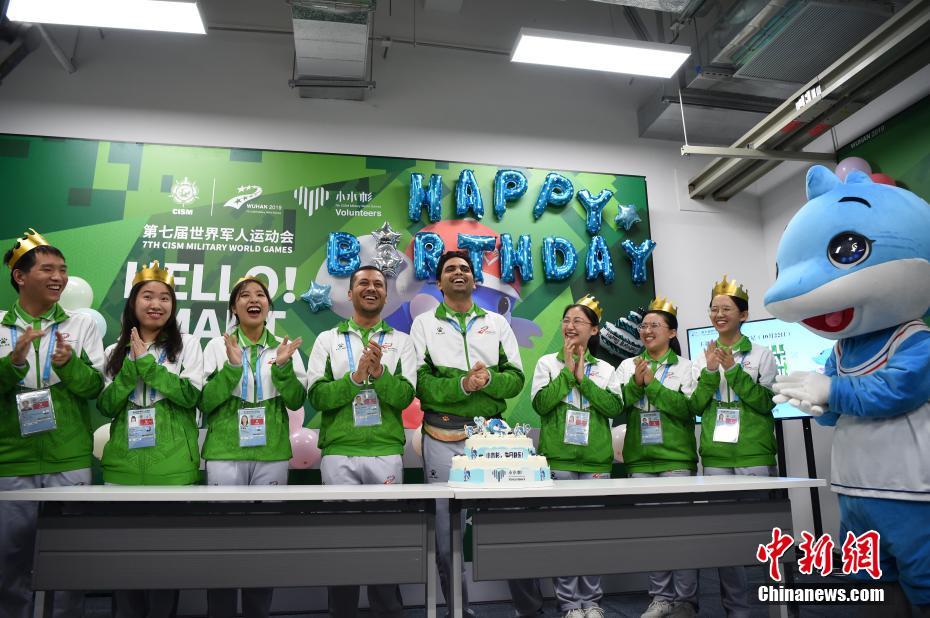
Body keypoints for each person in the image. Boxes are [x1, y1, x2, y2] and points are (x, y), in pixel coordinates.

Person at [409, 250, 533, 616]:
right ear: (439, 282)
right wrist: (462, 384)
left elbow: (516, 379)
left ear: (475, 280)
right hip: (440, 434)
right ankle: (457, 610)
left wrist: (489, 379)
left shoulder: (496, 323)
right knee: (444, 535)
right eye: (450, 269)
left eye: (464, 268)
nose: (458, 272)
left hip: (492, 437)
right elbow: (420, 383)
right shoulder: (423, 325)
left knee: (509, 527)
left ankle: (528, 608)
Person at [0, 229, 105, 618]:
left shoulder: (81, 325)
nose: (58, 277)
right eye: (47, 269)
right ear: (20, 276)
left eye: (62, 269)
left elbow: (94, 387)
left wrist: (68, 365)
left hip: (69, 456)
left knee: (68, 557)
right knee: (9, 556)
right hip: (12, 458)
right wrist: (13, 363)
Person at [307, 265, 417, 618]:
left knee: (387, 540)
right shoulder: (327, 340)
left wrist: (380, 373)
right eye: (364, 283)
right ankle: (342, 611)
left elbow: (404, 397)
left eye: (378, 284)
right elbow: (317, 397)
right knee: (341, 542)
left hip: (385, 453)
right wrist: (356, 379)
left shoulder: (402, 342)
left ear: (386, 294)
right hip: (339, 453)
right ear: (350, 293)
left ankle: (389, 611)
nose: (371, 288)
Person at [97, 260, 204, 617]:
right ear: (133, 303)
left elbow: (190, 396)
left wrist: (147, 364)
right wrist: (131, 365)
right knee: (123, 562)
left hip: (173, 471)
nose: (156, 304)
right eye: (147, 296)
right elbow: (107, 405)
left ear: (173, 306)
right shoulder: (115, 349)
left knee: (166, 562)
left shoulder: (188, 345)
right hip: (122, 471)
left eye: (165, 298)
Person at [200, 275, 307, 618]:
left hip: (270, 453)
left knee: (265, 540)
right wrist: (232, 368)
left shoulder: (283, 347)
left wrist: (284, 367)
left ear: (268, 306)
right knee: (222, 540)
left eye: (260, 294)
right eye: (244, 295)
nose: (253, 300)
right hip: (224, 451)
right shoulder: (217, 346)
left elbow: (296, 400)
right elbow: (205, 401)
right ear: (234, 307)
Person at [689, 276, 777, 618]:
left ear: (744, 314)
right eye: (714, 309)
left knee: (760, 535)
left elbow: (765, 403)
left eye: (726, 309)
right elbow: (695, 406)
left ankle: (775, 607)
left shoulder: (761, 354)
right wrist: (711, 372)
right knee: (725, 535)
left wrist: (734, 371)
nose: (719, 314)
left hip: (753, 452)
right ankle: (737, 609)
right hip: (716, 455)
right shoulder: (702, 357)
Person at [532, 296, 621, 618]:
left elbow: (614, 407)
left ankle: (592, 601)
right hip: (559, 460)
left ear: (594, 330)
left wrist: (584, 380)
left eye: (578, 321)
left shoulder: (605, 370)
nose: (570, 326)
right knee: (563, 535)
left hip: (596, 461)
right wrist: (568, 373)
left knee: (592, 534)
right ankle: (570, 603)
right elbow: (541, 405)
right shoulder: (547, 363)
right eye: (566, 320)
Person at [611, 299, 697, 618]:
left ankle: (686, 600)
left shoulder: (686, 368)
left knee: (682, 533)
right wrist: (637, 383)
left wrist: (653, 385)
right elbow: (616, 404)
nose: (647, 330)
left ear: (671, 332)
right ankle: (660, 598)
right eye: (644, 326)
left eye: (654, 325)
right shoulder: (628, 365)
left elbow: (688, 409)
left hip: (676, 461)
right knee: (653, 533)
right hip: (641, 461)